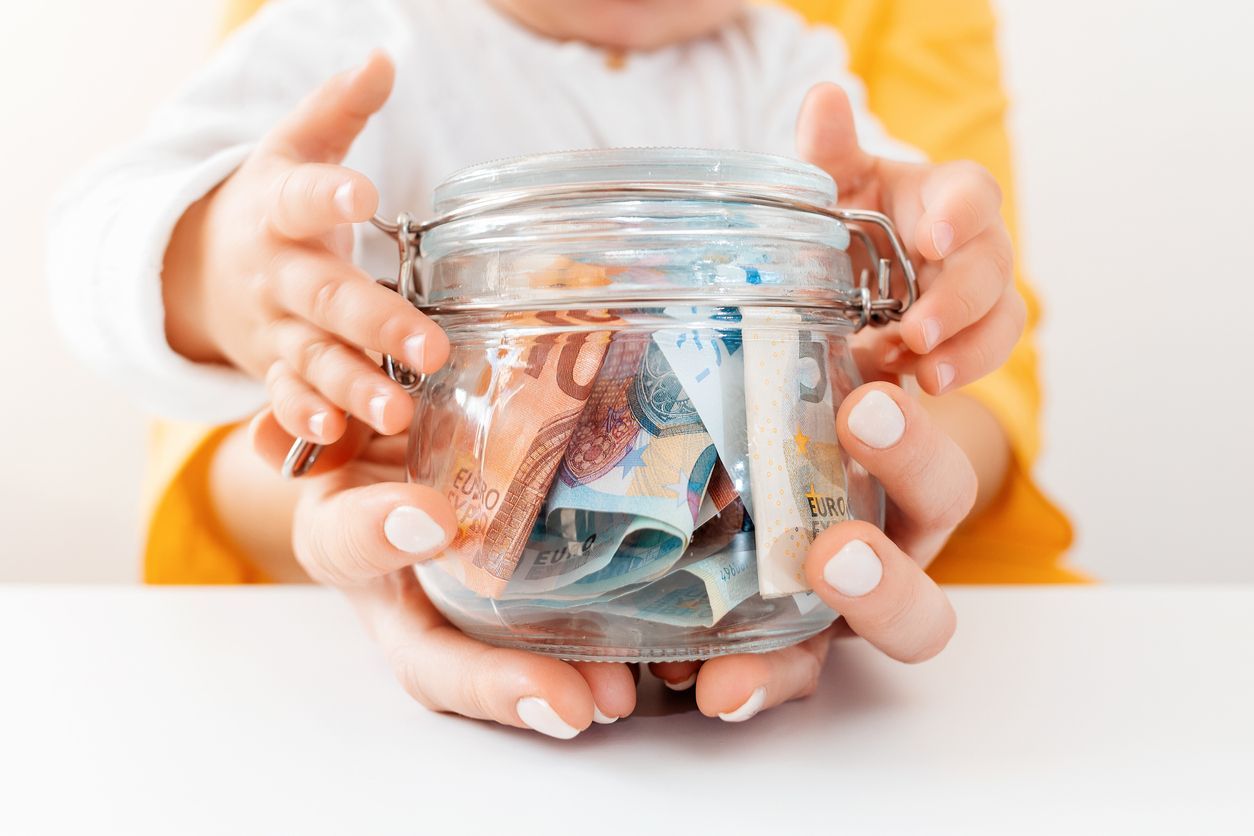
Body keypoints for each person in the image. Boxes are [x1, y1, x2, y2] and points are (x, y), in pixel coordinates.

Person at [50, 0, 1081, 738]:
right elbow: (95, 229)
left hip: (818, 697)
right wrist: (215, 264)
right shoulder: (356, 35)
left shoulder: (785, 61)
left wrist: (934, 263)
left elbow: (896, 222)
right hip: (348, 710)